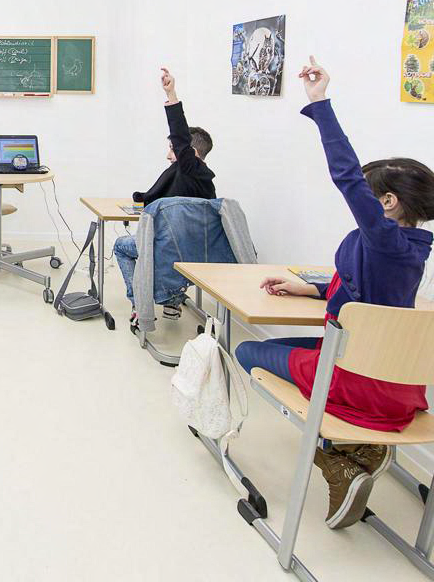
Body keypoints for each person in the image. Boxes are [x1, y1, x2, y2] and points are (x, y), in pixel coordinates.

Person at [235, 56, 434, 530]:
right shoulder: (413, 250)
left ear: (387, 203)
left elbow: (345, 175)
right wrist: (312, 288)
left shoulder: (383, 237)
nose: (359, 199)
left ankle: (337, 457)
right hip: (399, 387)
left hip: (356, 380)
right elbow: (366, 293)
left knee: (247, 349)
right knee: (283, 349)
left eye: (370, 195)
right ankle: (360, 448)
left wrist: (320, 102)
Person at [113, 68, 216, 320]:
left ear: (189, 152)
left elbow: (180, 136)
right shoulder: (207, 184)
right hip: (198, 250)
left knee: (121, 246)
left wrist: (171, 94)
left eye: (173, 149)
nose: (170, 154)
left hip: (168, 248)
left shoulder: (188, 167)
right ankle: (173, 300)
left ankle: (138, 304)